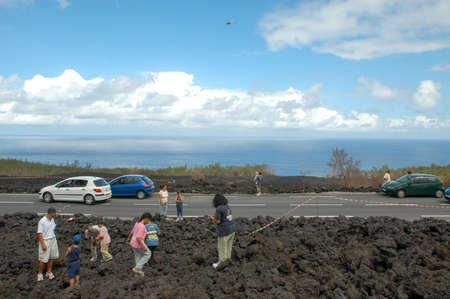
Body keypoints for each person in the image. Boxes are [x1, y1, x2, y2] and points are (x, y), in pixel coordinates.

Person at [208, 194, 236, 269]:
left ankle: (221, 263)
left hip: (224, 231)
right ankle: (227, 261)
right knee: (228, 247)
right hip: (232, 229)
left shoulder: (219, 209)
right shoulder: (227, 206)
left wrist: (212, 218)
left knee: (222, 247)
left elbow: (217, 221)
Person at [37, 207, 59, 282]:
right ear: (51, 213)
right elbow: (39, 233)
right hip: (45, 240)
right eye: (54, 213)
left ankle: (48, 272)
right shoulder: (42, 221)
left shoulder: (52, 219)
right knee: (43, 259)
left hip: (52, 239)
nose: (55, 214)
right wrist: (43, 244)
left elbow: (53, 228)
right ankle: (40, 273)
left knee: (51, 257)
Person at [127, 212, 152, 277]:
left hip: (132, 243)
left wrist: (128, 239)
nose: (149, 222)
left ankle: (137, 274)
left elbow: (132, 232)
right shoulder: (142, 226)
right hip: (138, 243)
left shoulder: (137, 223)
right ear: (146, 218)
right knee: (148, 253)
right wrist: (143, 246)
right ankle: (137, 268)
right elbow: (138, 238)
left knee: (138, 256)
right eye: (149, 220)